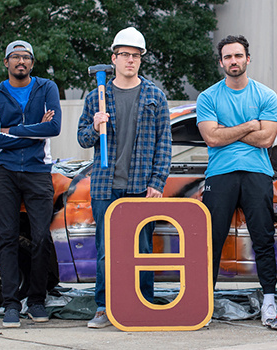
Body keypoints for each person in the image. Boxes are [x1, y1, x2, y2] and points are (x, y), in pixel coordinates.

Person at [77, 27, 172, 329]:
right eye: (125, 55)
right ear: (113, 58)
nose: (130, 60)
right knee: (107, 250)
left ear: (141, 60)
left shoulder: (155, 96)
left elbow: (164, 143)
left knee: (143, 249)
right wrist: (94, 126)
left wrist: (157, 182)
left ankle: (143, 305)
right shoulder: (97, 96)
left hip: (141, 187)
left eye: (136, 56)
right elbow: (82, 138)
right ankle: (104, 307)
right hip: (105, 187)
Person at [196, 35, 277, 326]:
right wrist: (248, 126)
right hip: (219, 175)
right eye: (228, 57)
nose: (234, 61)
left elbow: (267, 138)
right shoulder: (208, 97)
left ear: (247, 59)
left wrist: (226, 132)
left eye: (238, 56)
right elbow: (210, 137)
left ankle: (269, 301)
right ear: (221, 63)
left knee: (263, 238)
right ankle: (203, 303)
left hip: (258, 174)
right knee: (210, 240)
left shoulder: (266, 95)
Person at [0, 40, 62, 328]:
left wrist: (12, 131)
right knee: (7, 237)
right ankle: (10, 304)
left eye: (26, 57)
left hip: (38, 171)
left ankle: (36, 300)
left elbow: (53, 128)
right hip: (4, 171)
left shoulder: (47, 88)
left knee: (41, 236)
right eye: (15, 57)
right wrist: (33, 132)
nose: (21, 61)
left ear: (32, 63)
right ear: (6, 62)